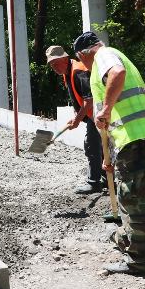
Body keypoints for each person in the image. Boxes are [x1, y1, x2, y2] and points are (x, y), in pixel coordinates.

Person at [73, 31, 145, 275]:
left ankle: (137, 260)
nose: (84, 67)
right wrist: (109, 157)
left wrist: (106, 109)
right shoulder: (116, 55)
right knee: (136, 198)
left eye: (82, 61)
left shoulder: (104, 55)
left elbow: (117, 73)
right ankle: (127, 239)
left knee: (134, 200)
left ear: (84, 53)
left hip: (134, 138)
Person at [45, 45, 104, 194]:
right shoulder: (68, 72)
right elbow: (78, 97)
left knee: (91, 145)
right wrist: (76, 115)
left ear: (65, 58)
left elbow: (89, 100)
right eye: (52, 65)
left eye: (56, 63)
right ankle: (106, 180)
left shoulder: (79, 71)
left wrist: (78, 119)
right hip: (93, 114)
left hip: (98, 113)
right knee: (100, 147)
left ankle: (94, 182)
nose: (55, 68)